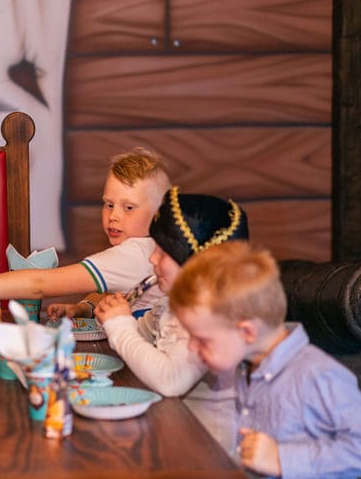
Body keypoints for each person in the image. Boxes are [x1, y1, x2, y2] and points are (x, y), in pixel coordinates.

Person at [169, 241, 361, 478]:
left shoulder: (317, 375)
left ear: (247, 332)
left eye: (202, 340)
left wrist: (281, 458)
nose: (191, 347)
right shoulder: (247, 365)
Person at [0, 146, 170, 315]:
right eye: (109, 204)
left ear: (159, 213)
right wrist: (82, 307)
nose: (114, 216)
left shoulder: (135, 253)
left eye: (129, 208)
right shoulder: (151, 249)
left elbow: (38, 283)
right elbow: (119, 290)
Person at [94, 188, 248, 453]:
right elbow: (137, 339)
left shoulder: (213, 316)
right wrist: (114, 317)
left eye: (164, 253)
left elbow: (171, 380)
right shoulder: (171, 305)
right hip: (170, 431)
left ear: (197, 265)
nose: (152, 258)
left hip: (208, 451)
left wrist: (119, 327)